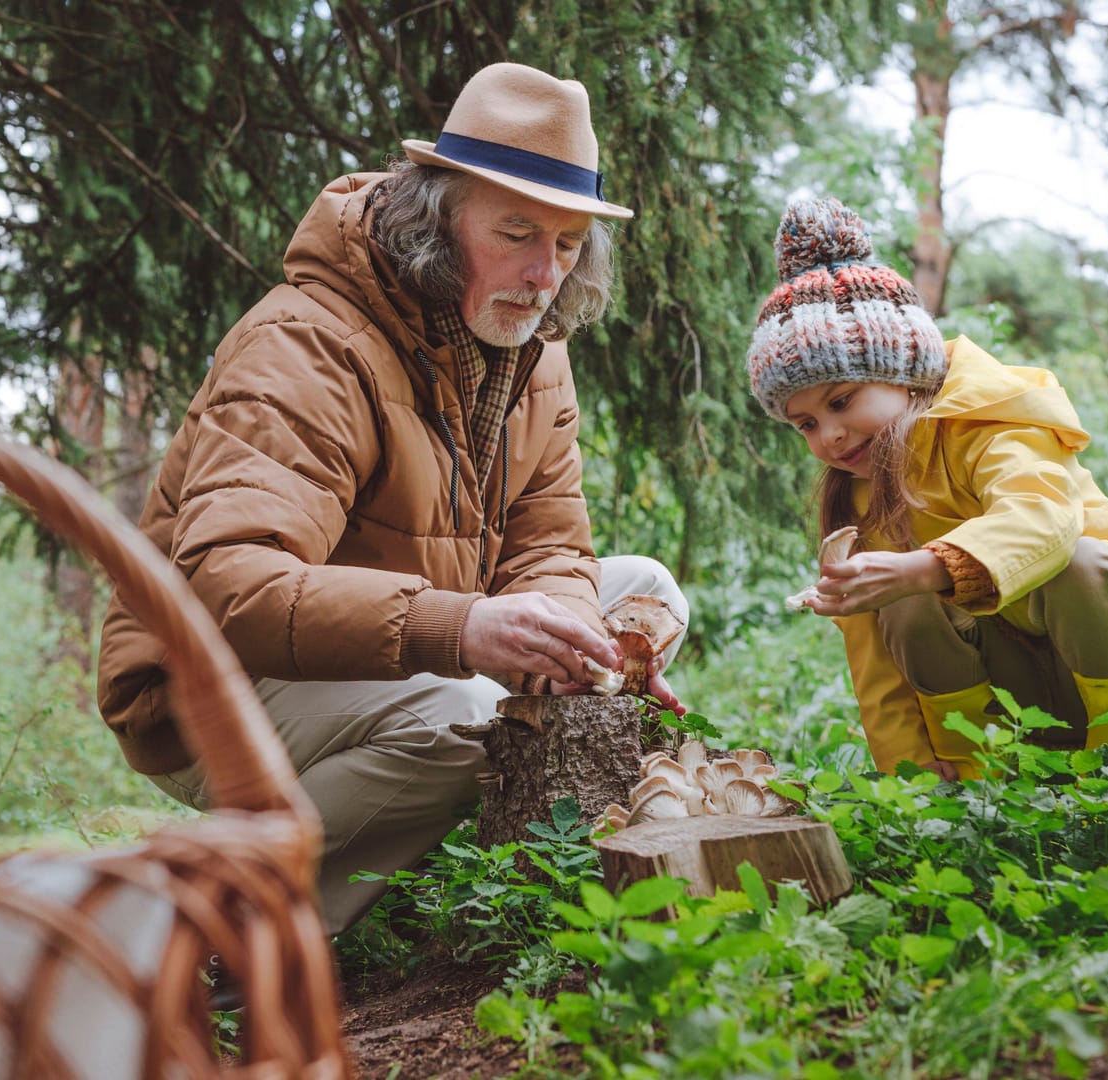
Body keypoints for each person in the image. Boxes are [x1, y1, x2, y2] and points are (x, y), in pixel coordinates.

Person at [97, 63, 688, 934]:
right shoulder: (305, 343)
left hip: (389, 649)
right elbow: (235, 583)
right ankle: (208, 919)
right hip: (213, 685)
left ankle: (420, 865)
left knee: (644, 592)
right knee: (464, 715)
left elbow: (551, 542)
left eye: (566, 245)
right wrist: (466, 630)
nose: (542, 274)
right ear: (437, 217)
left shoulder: (532, 350)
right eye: (518, 232)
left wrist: (565, 644)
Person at [745, 197, 1108, 780]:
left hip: (1104, 663)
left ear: (904, 371)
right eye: (805, 424)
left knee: (1079, 562)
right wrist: (911, 778)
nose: (830, 436)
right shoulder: (857, 499)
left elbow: (1046, 518)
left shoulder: (987, 417)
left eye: (841, 401)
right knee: (902, 603)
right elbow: (875, 668)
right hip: (1010, 703)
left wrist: (923, 568)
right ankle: (982, 783)